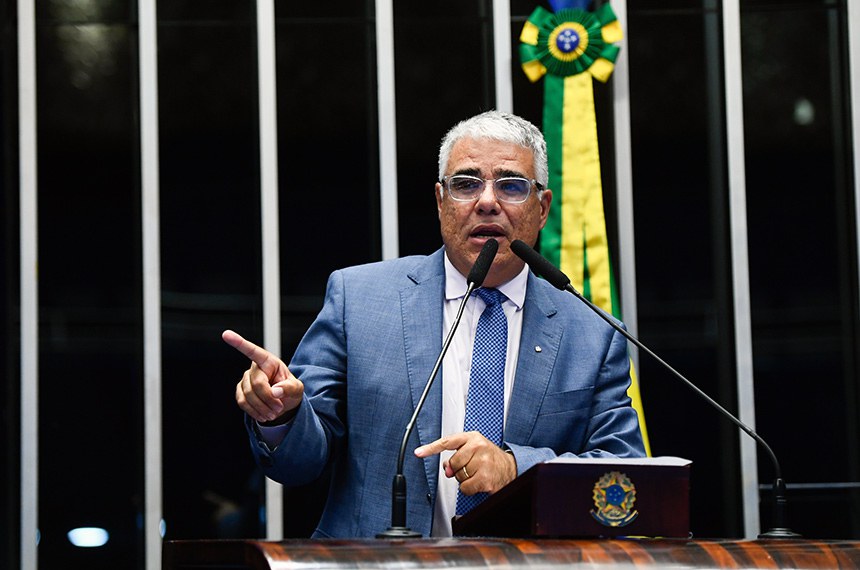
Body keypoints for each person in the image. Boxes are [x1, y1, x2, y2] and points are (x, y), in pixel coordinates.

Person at [223, 110, 645, 538]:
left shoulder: (592, 333)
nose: (486, 201)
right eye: (466, 184)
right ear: (441, 201)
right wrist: (282, 417)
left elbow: (626, 478)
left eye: (511, 186)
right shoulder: (359, 298)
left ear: (543, 207)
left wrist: (518, 466)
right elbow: (300, 462)